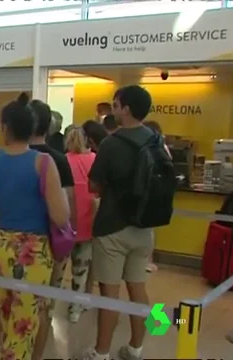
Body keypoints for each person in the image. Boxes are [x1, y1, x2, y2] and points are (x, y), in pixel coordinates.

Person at [0, 95, 69, 360]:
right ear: (33, 129)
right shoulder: (43, 163)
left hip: (2, 247)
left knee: (6, 312)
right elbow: (61, 215)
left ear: (4, 126)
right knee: (25, 323)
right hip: (34, 252)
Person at [84, 85, 155, 360]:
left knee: (108, 294)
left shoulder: (112, 143)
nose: (112, 111)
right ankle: (136, 348)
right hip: (144, 227)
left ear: (126, 110)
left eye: (115, 105)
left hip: (113, 227)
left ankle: (100, 352)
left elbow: (93, 183)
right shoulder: (155, 140)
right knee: (138, 288)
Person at [26, 96, 76, 359]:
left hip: (15, 240)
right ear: (49, 128)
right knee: (44, 305)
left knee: (9, 301)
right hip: (52, 241)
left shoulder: (6, 157)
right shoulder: (57, 159)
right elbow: (68, 205)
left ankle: (4, 351)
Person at [62, 127, 97, 324]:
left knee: (59, 269)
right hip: (88, 219)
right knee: (81, 270)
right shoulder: (93, 159)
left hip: (66, 221)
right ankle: (75, 308)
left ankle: (50, 307)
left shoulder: (61, 159)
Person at [142, 120, 170, 273]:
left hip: (147, 192)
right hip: (156, 193)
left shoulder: (146, 148)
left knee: (146, 230)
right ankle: (148, 260)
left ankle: (147, 260)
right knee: (149, 229)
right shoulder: (162, 148)